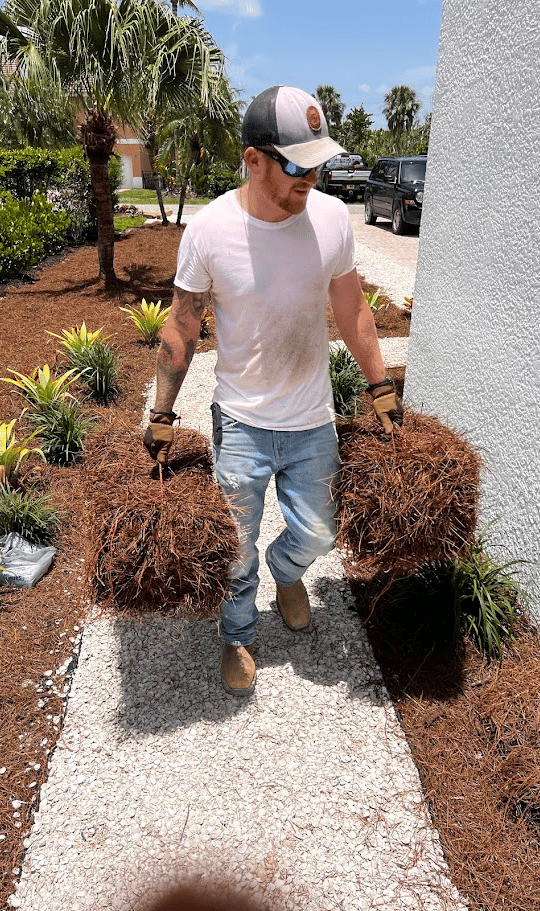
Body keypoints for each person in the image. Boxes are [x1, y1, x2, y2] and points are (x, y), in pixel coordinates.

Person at [144, 85, 402, 696]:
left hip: (311, 417)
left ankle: (287, 573)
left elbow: (352, 308)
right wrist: (160, 413)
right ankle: (237, 634)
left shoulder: (333, 218)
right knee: (235, 549)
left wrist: (381, 387)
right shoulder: (210, 230)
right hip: (241, 420)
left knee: (318, 531)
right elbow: (183, 323)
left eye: (317, 162)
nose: (310, 177)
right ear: (252, 159)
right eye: (295, 164)